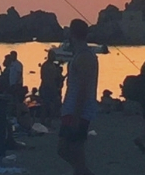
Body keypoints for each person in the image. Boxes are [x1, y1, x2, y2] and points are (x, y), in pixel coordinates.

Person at [58, 19, 98, 175]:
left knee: (66, 149)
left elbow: (83, 88)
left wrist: (76, 114)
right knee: (75, 151)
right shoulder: (80, 55)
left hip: (78, 111)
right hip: (72, 108)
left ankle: (84, 172)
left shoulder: (85, 57)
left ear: (71, 34)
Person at [39, 51, 64, 128]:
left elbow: (56, 77)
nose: (54, 57)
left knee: (53, 105)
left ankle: (49, 121)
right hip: (46, 88)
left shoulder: (53, 66)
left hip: (52, 88)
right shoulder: (45, 66)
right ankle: (42, 121)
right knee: (45, 105)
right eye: (53, 56)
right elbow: (44, 78)